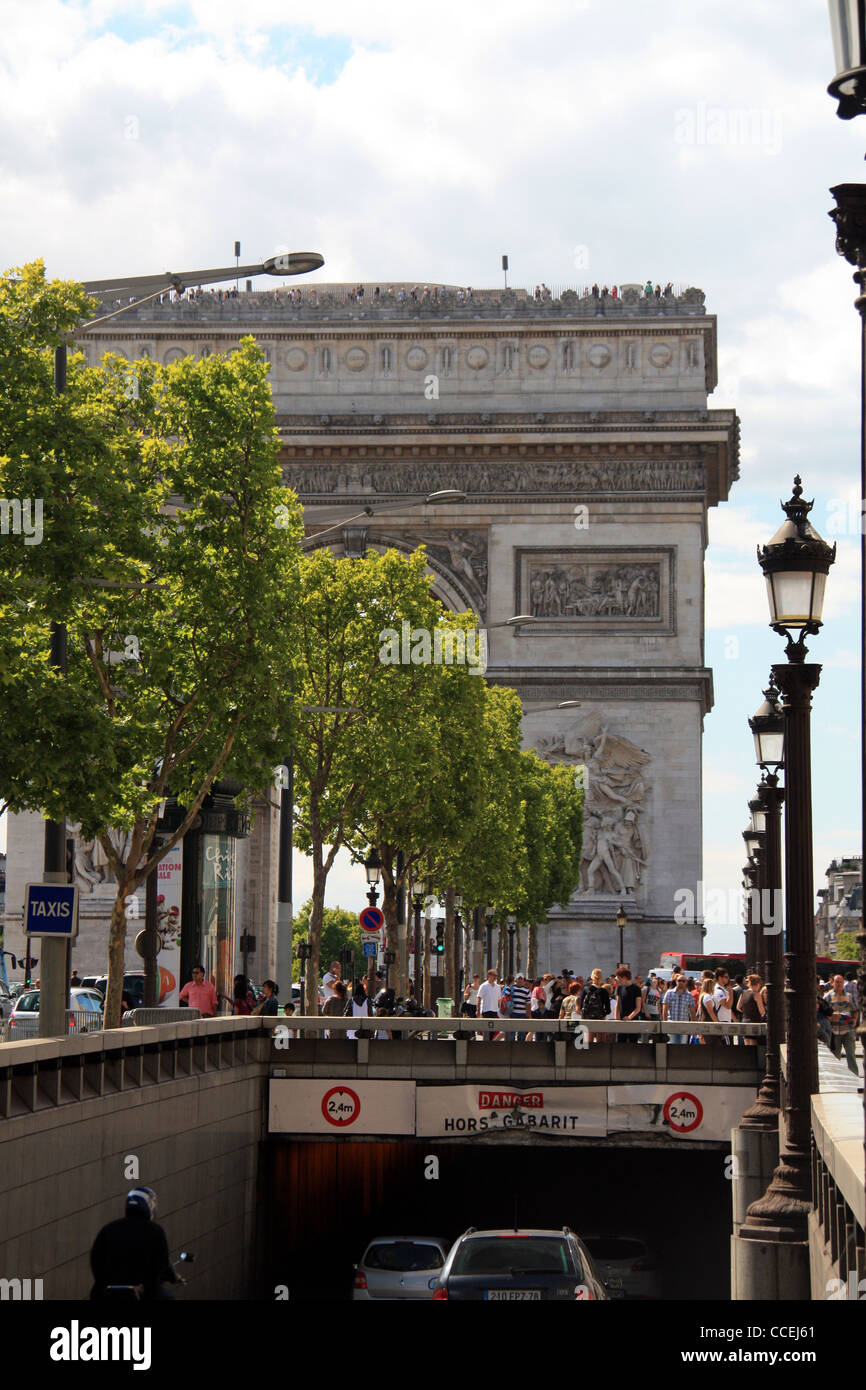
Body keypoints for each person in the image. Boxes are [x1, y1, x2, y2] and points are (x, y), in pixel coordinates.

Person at [90, 1188, 180, 1302]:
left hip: (109, 1292)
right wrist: (170, 1278)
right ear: (151, 1206)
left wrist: (104, 1283)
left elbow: (96, 1260)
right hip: (144, 1293)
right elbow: (161, 1263)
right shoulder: (155, 1231)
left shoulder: (108, 1229)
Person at [823, 975, 860, 1074]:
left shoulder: (849, 996)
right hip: (834, 1031)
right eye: (837, 982)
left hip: (848, 1030)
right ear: (833, 983)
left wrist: (854, 1019)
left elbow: (855, 1010)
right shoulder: (827, 997)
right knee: (835, 1056)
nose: (839, 984)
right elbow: (822, 1013)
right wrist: (831, 1016)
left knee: (851, 1054)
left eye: (840, 982)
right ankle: (836, 1076)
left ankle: (854, 1076)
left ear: (843, 983)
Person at [662, 973, 696, 1044]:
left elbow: (692, 1012)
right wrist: (664, 1023)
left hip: (684, 1026)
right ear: (676, 981)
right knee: (672, 1045)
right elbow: (665, 1009)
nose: (681, 982)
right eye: (679, 980)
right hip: (672, 1024)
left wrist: (694, 1026)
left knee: (682, 1046)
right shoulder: (669, 993)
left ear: (686, 982)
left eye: (683, 981)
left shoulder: (689, 995)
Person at [579, 968, 611, 1042]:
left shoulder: (586, 989)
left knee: (588, 1042)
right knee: (601, 1043)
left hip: (588, 1019)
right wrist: (602, 1014)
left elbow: (581, 1006)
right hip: (600, 1019)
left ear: (592, 977)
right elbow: (608, 1010)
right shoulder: (604, 991)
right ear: (601, 977)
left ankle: (589, 1053)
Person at [614, 967, 643, 1043]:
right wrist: (616, 1018)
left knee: (633, 1043)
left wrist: (629, 1017)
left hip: (633, 1021)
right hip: (621, 1021)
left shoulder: (636, 989)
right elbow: (617, 1004)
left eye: (619, 978)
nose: (617, 980)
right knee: (620, 1044)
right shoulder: (619, 988)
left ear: (624, 977)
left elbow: (638, 1008)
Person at [476, 968, 501, 1042]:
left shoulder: (497, 987)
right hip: (486, 1010)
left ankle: (490, 1041)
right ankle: (486, 1042)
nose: (495, 977)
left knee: (494, 1029)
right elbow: (479, 998)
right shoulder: (483, 986)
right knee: (486, 1029)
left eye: (496, 975)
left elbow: (499, 999)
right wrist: (478, 1010)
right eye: (494, 975)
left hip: (495, 1010)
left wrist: (500, 1009)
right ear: (489, 975)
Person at [713, 967, 734, 1045]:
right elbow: (728, 1006)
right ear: (719, 978)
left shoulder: (723, 989)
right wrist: (731, 993)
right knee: (727, 1046)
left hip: (725, 1020)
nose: (728, 979)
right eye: (726, 977)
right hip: (722, 1021)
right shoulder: (719, 991)